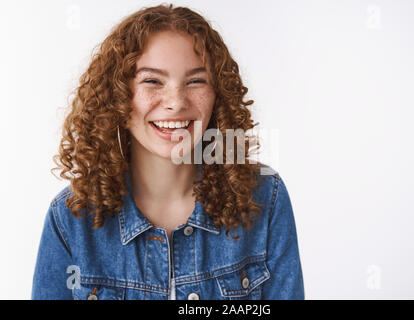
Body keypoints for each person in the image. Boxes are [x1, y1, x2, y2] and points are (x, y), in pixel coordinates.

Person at [31, 3, 305, 300]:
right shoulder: (71, 218)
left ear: (218, 94)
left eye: (196, 81)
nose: (176, 102)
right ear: (118, 95)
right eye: (152, 81)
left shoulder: (265, 197)